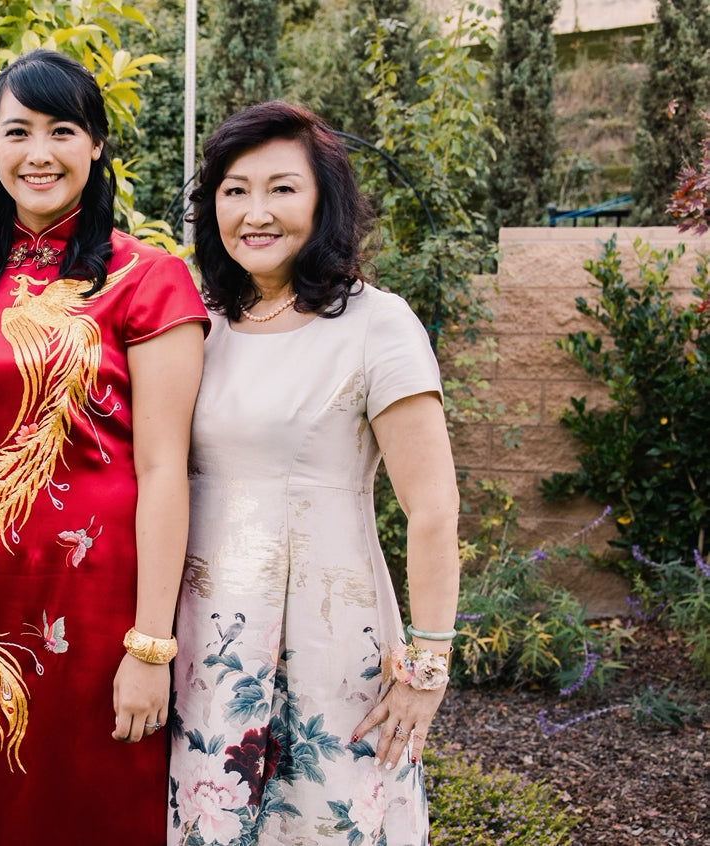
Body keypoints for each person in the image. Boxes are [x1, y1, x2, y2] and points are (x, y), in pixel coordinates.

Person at [0, 49, 209, 845]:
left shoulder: (149, 278)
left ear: (97, 145)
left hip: (98, 599)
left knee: (89, 803)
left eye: (62, 131)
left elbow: (163, 469)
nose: (38, 153)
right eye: (18, 132)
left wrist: (150, 645)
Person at [168, 101, 461, 845]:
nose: (255, 212)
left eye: (281, 188)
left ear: (324, 199)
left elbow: (432, 510)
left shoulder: (376, 324)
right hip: (207, 641)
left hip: (333, 643)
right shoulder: (195, 323)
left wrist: (427, 668)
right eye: (234, 190)